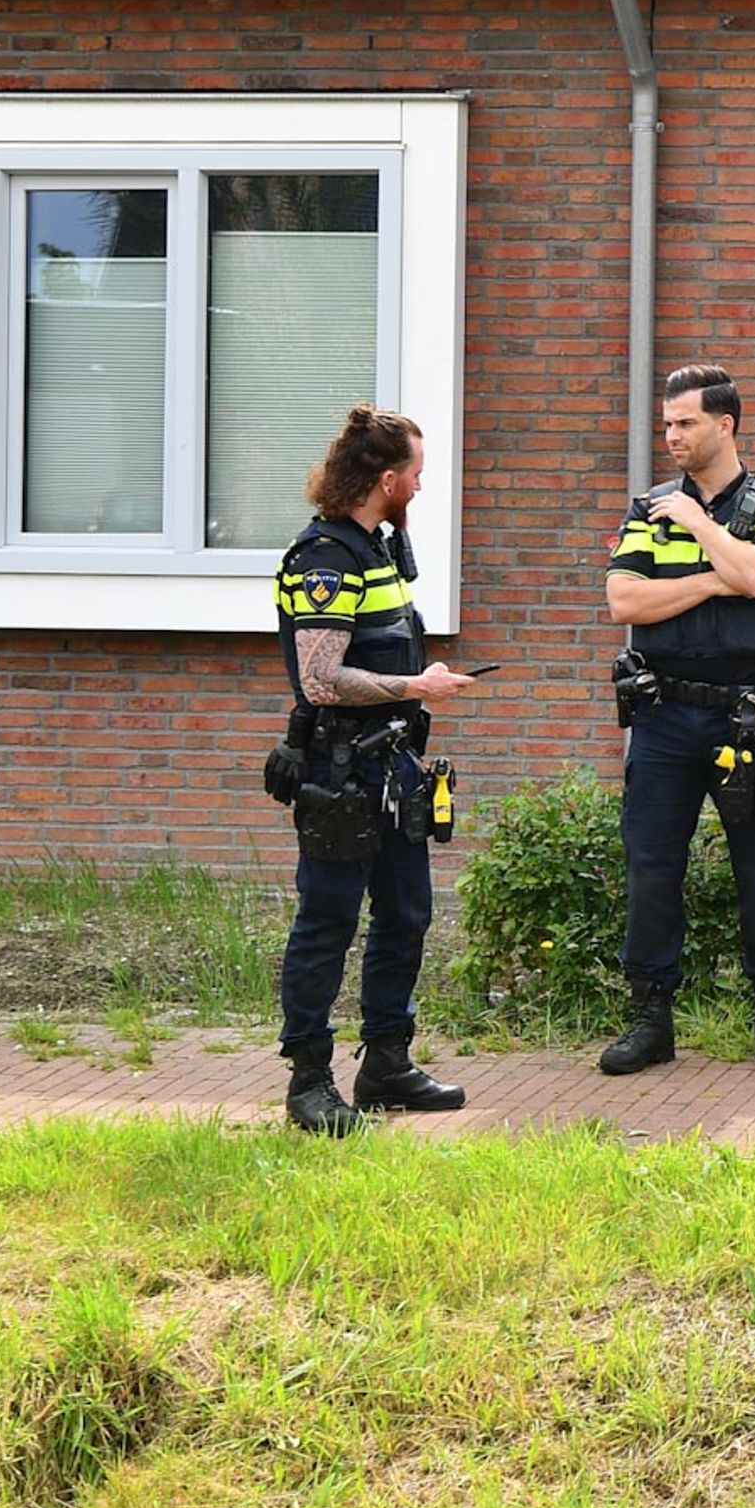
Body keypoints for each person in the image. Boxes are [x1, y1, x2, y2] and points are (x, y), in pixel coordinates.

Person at [597, 364, 755, 1078]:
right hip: (663, 715)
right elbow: (625, 602)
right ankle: (650, 1018)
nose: (672, 436)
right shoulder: (648, 508)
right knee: (652, 867)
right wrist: (722, 577)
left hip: (746, 716)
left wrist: (697, 526)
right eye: (667, 424)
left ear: (725, 424)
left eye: (685, 423)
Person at [270, 406, 478, 1137]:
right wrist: (415, 685)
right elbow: (322, 679)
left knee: (406, 915)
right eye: (416, 473)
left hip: (392, 766)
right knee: (327, 922)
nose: (420, 485)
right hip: (340, 772)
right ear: (387, 479)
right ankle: (309, 1082)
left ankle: (387, 1063)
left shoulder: (375, 549)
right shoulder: (325, 560)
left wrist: (414, 687)